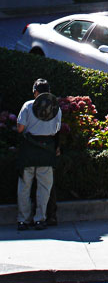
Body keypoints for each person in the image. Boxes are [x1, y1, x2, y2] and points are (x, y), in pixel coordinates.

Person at [16, 78, 61, 231]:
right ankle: (40, 219)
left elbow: (20, 128)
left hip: (29, 149)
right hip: (47, 150)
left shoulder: (28, 106)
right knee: (44, 188)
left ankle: (23, 220)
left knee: (24, 186)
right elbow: (56, 130)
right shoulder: (56, 108)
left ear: (35, 91)